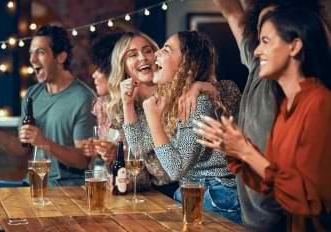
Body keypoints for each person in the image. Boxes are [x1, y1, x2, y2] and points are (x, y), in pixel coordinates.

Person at [195, 8, 331, 231]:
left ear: (295, 46)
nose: (257, 51)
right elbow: (271, 183)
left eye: (265, 41)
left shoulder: (320, 103)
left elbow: (310, 201)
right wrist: (234, 149)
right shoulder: (287, 105)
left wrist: (245, 151)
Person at [123, 31, 240, 223]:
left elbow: (175, 169)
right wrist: (128, 104)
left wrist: (153, 118)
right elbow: (138, 147)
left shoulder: (198, 102)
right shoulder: (173, 99)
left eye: (166, 50)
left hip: (215, 195)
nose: (156, 53)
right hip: (196, 193)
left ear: (187, 64)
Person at [0, 25, 96, 186]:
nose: (32, 60)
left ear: (60, 57)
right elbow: (23, 149)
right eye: (31, 53)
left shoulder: (83, 98)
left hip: (67, 189)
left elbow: (83, 160)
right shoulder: (31, 95)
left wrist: (45, 143)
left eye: (40, 52)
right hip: (33, 184)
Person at [107, 31, 178, 196]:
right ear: (123, 65)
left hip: (187, 186)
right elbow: (141, 167)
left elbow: (140, 147)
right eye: (132, 55)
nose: (143, 58)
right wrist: (129, 183)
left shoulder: (175, 94)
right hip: (158, 193)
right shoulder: (120, 108)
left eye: (147, 51)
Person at [82, 32, 124, 166]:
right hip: (112, 181)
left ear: (113, 71)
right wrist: (97, 151)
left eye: (100, 69)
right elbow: (105, 156)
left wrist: (116, 152)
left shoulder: (136, 104)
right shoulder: (101, 105)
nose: (94, 74)